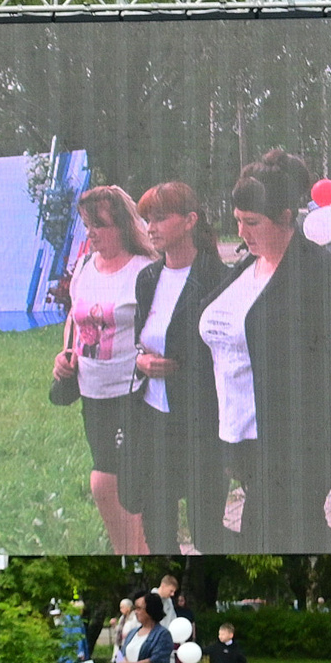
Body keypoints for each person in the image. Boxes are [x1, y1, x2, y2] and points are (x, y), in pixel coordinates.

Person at [202, 147, 331, 552]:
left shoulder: (323, 272)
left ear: (286, 217)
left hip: (303, 441)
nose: (243, 233)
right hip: (246, 438)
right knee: (288, 533)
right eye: (237, 222)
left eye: (252, 222)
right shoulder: (243, 270)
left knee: (267, 533)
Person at [48, 185, 157, 553]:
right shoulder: (84, 267)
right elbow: (74, 318)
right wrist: (65, 355)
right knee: (102, 480)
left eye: (100, 225)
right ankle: (124, 550)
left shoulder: (145, 270)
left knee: (127, 484)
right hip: (92, 390)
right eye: (87, 225)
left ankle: (140, 550)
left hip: (133, 392)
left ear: (124, 226)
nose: (91, 233)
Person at [129, 183, 234, 555]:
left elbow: (225, 353)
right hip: (154, 419)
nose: (151, 227)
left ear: (190, 220)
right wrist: (141, 361)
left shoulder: (217, 279)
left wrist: (181, 369)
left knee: (206, 529)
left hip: (200, 422)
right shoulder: (146, 279)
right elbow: (140, 341)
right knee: (158, 525)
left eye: (160, 217)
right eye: (147, 219)